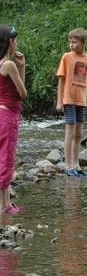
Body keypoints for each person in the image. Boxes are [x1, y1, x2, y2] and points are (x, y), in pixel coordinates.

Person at [56, 28, 87, 177]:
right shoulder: (67, 57)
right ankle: (68, 165)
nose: (71, 45)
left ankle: (76, 164)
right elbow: (61, 80)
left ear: (83, 42)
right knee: (70, 131)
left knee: (78, 134)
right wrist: (59, 101)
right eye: (70, 42)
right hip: (69, 99)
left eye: (74, 42)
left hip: (82, 100)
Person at [0, 25, 27, 215]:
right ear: (10, 42)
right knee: (6, 158)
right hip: (8, 115)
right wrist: (21, 67)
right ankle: (4, 206)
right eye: (15, 39)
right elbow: (23, 93)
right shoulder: (8, 65)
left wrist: (21, 66)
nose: (16, 42)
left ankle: (6, 203)